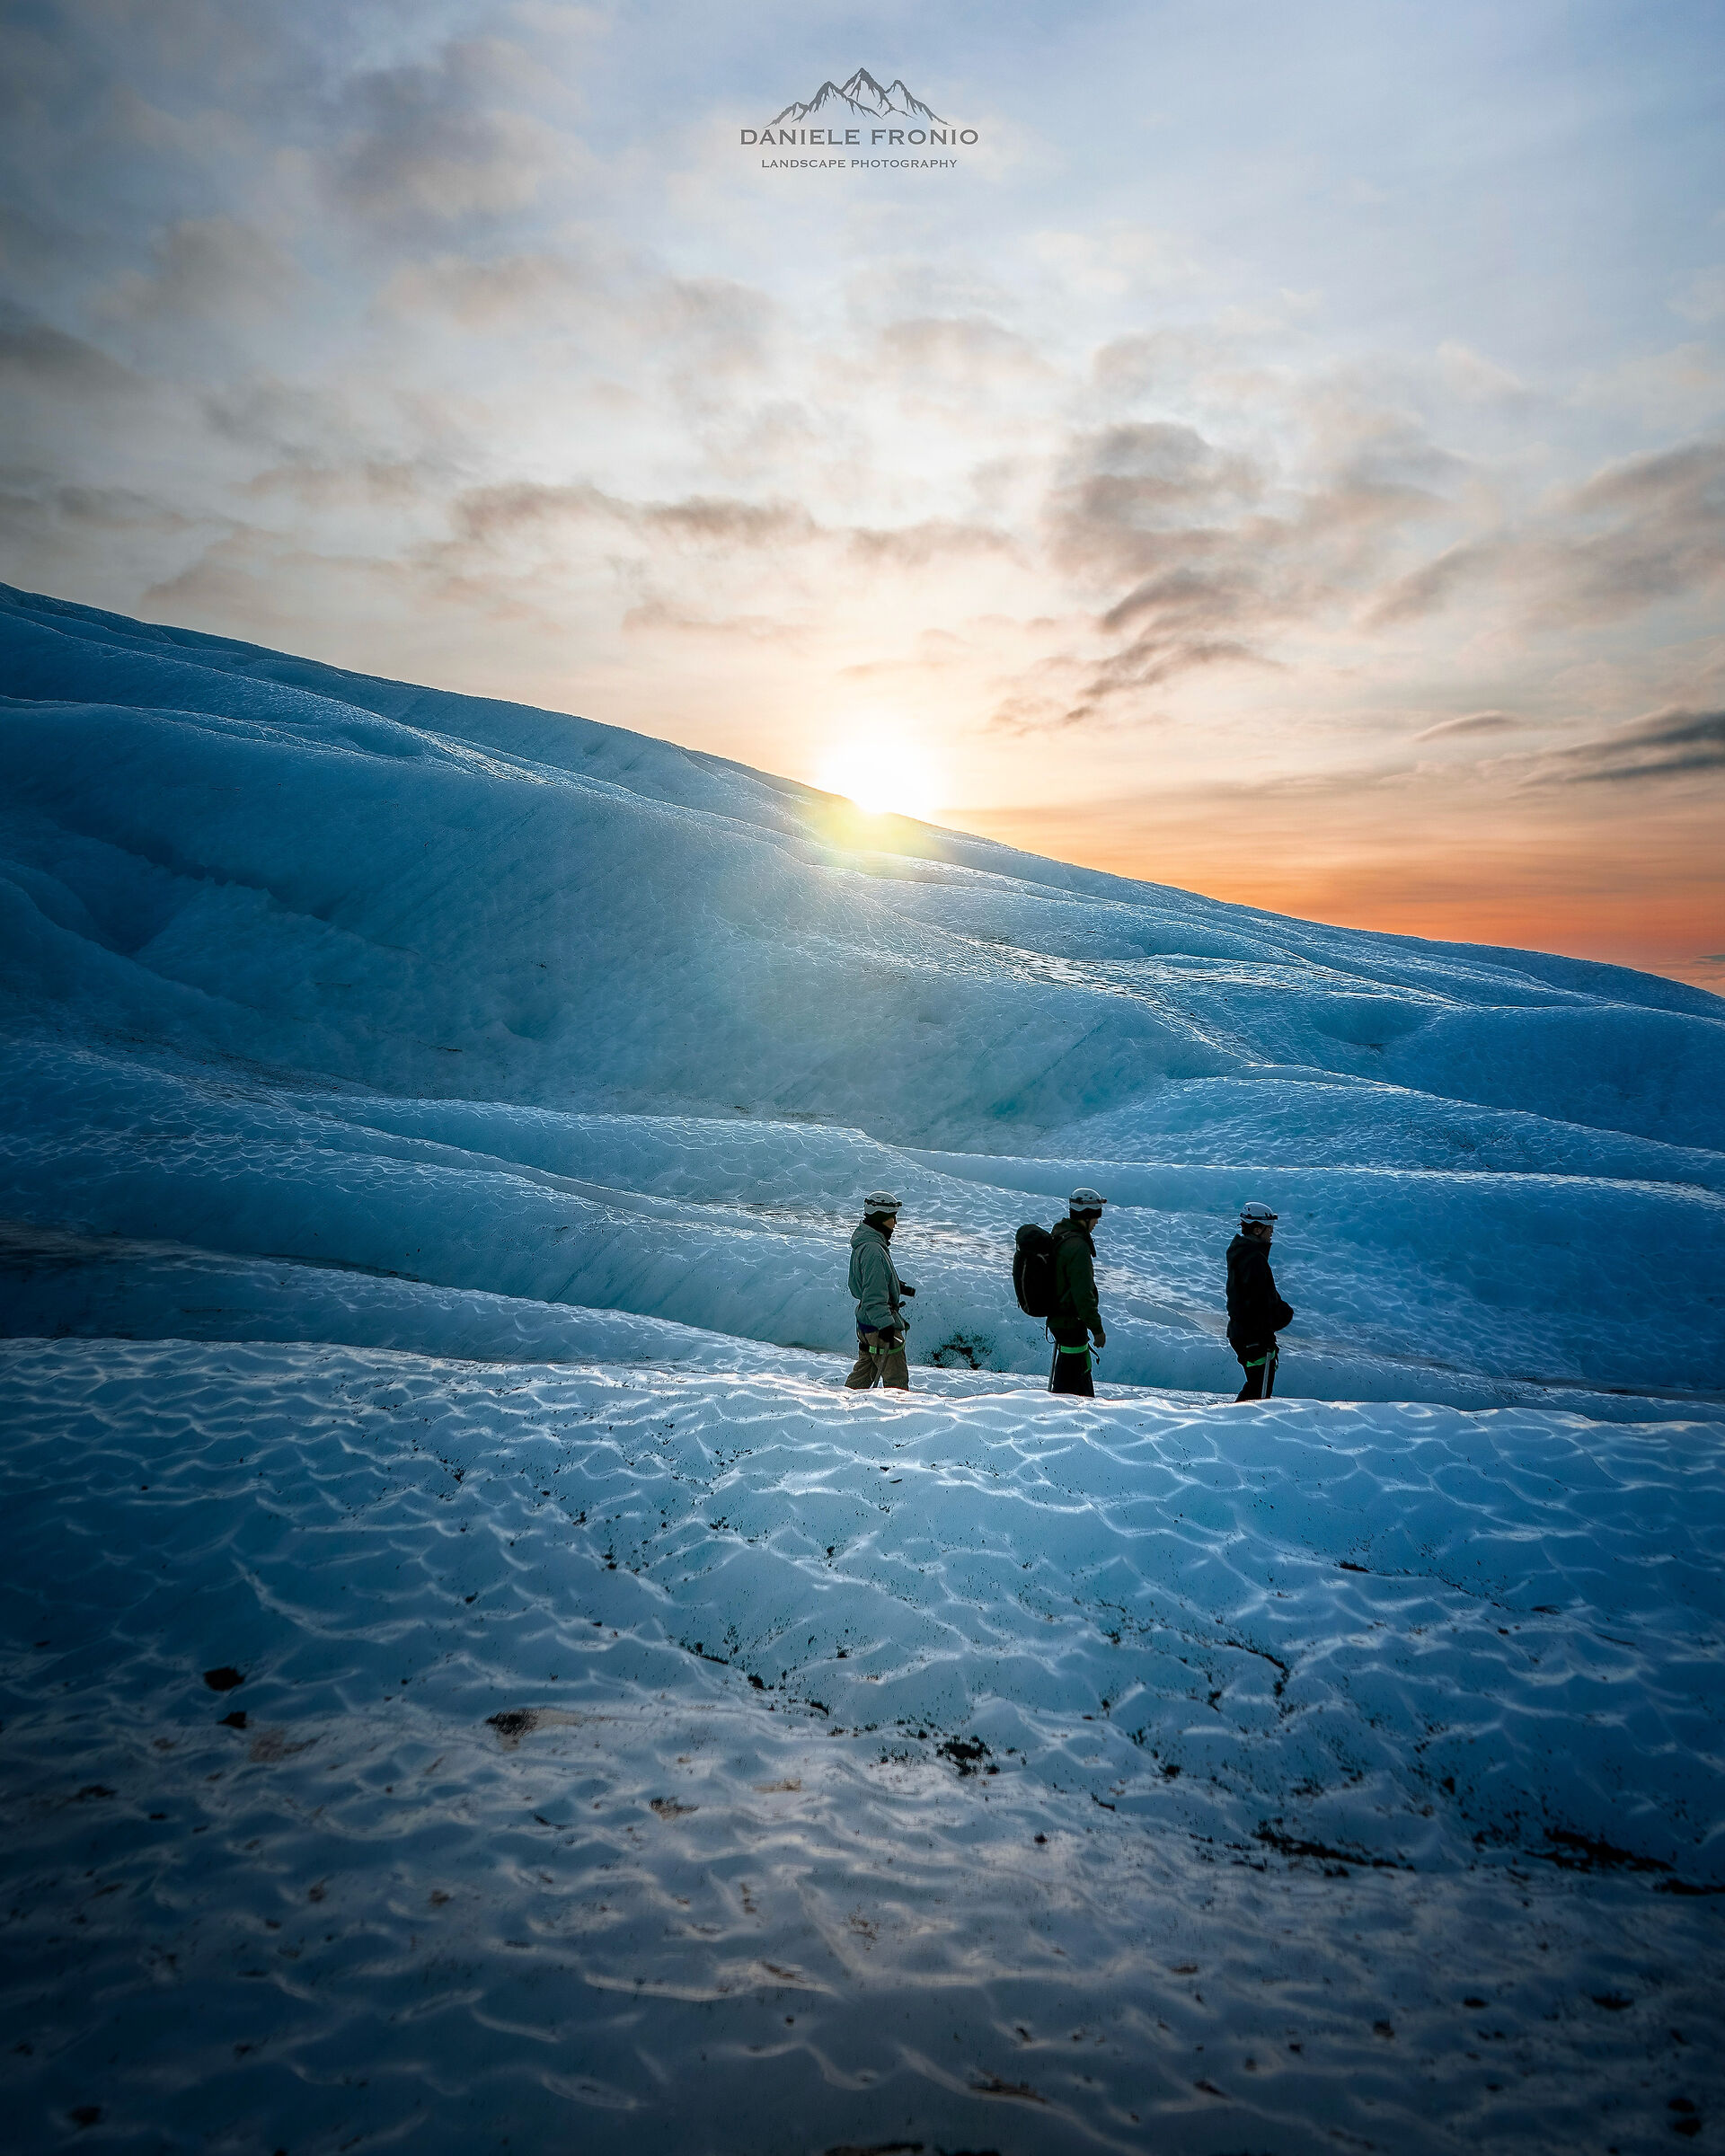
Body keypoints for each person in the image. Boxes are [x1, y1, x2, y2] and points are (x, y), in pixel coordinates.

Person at [845, 1189, 916, 1390]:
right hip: (879, 1326)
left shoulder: (868, 1244)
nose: (895, 1223)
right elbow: (873, 1296)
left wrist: (896, 1285)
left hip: (867, 1323)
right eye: (892, 1217)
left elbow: (867, 1283)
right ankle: (896, 1417)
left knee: (864, 1373)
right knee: (897, 1380)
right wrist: (886, 1326)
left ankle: (842, 1407)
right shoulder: (874, 1251)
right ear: (880, 1218)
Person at [1226, 1201, 1294, 1400]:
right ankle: (1238, 1426)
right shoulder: (1254, 1259)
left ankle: (1235, 1423)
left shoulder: (1242, 1253)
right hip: (1254, 1338)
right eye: (1268, 1227)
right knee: (1259, 1394)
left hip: (1244, 1334)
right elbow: (1259, 1303)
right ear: (1257, 1229)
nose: (1272, 1232)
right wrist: (1283, 1315)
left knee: (1255, 1388)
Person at [1048, 1186, 1108, 1396]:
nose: (1097, 1222)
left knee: (1073, 1375)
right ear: (1087, 1216)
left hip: (1060, 1320)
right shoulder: (1078, 1247)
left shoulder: (1061, 1233)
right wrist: (1097, 1329)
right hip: (1070, 1322)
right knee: (1071, 1385)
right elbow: (1083, 1294)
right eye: (1095, 1217)